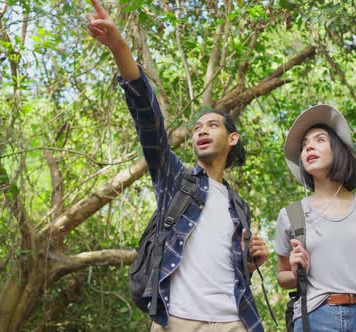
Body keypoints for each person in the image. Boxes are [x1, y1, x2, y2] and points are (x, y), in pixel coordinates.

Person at [85, 1, 268, 331]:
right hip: (179, 321)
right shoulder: (177, 181)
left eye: (212, 125)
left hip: (234, 321)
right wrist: (120, 48)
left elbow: (230, 271)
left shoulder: (239, 207)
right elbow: (149, 121)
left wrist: (251, 264)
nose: (201, 130)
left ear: (232, 138)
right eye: (197, 128)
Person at [275, 104, 356, 331]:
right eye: (304, 145)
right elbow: (282, 277)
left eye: (320, 140)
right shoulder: (290, 215)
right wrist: (294, 272)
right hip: (314, 317)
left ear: (339, 149)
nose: (309, 147)